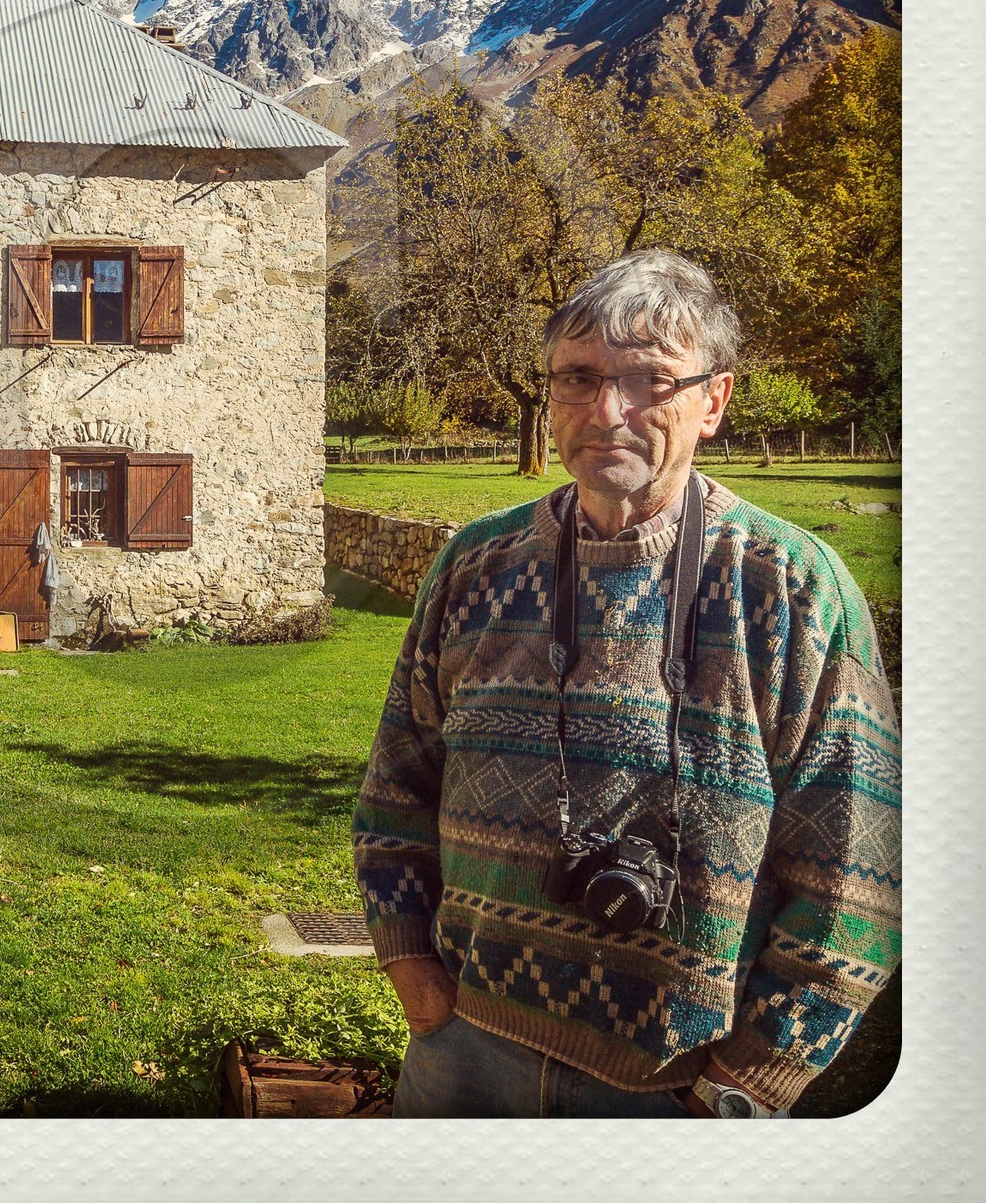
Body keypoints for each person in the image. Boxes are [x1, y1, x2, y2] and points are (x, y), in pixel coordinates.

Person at [352, 250, 901, 1118]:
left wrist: (749, 1081)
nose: (609, 411)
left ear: (713, 401)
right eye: (578, 378)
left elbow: (859, 870)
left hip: (674, 1089)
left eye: (651, 380)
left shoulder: (791, 588)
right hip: (463, 1057)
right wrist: (415, 975)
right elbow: (395, 792)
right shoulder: (476, 565)